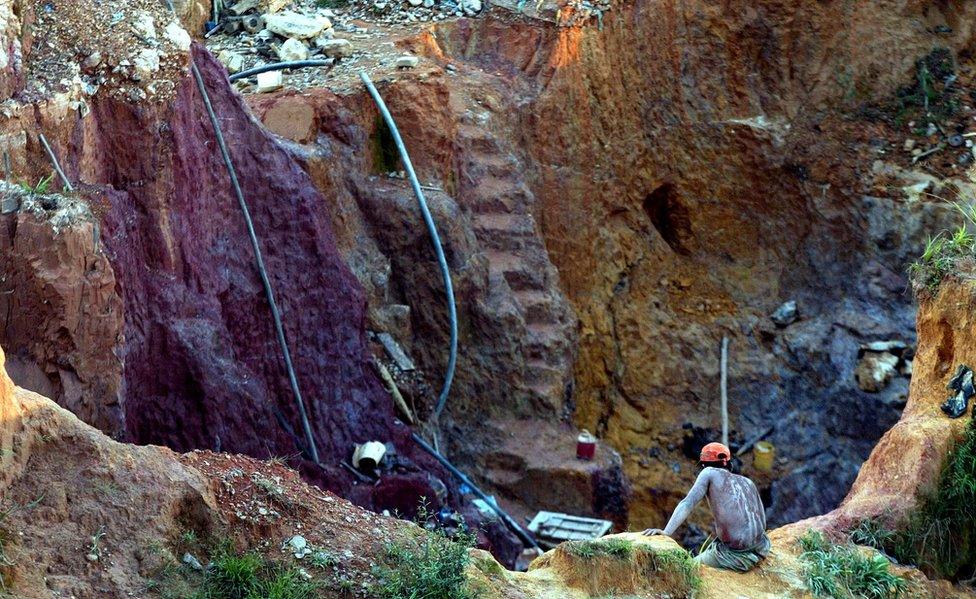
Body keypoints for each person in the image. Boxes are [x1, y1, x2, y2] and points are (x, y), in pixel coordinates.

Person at [643, 442, 770, 572]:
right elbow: (762, 518)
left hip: (735, 556)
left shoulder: (708, 472)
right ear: (728, 462)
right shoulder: (748, 482)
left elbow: (687, 503)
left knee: (687, 569)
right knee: (717, 544)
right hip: (761, 549)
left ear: (704, 464)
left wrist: (666, 532)